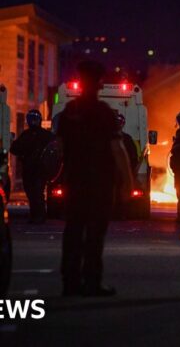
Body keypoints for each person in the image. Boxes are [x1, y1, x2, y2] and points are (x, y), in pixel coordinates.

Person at [56, 60, 133, 296]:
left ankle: (70, 283)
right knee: (95, 235)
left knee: (73, 233)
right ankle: (92, 282)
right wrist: (128, 182)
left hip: (75, 182)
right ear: (100, 83)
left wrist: (60, 175)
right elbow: (117, 149)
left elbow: (59, 148)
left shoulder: (69, 112)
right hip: (99, 184)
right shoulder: (104, 113)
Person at [10, 110, 54, 224]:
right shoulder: (29, 135)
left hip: (38, 169)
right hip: (31, 169)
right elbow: (15, 148)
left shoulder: (44, 135)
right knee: (32, 192)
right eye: (32, 119)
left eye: (35, 119)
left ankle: (39, 215)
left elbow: (54, 151)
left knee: (36, 192)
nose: (33, 121)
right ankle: (37, 214)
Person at [113, 111, 138, 219]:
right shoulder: (125, 138)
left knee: (120, 193)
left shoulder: (127, 139)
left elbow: (132, 157)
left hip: (118, 173)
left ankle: (120, 213)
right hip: (112, 172)